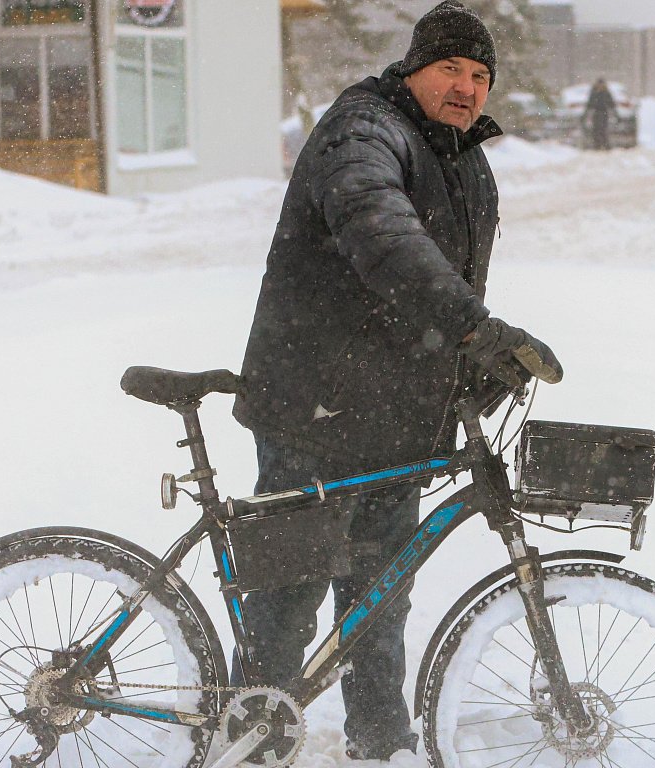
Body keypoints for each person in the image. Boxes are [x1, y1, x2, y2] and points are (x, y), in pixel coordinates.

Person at [232, 0, 562, 760]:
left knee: (380, 601)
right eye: (450, 67)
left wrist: (467, 369)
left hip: (395, 419)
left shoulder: (465, 161)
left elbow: (431, 286)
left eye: (481, 74)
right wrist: (474, 329)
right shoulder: (364, 131)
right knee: (288, 599)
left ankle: (381, 745)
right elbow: (380, 231)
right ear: (413, 69)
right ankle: (253, 737)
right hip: (312, 409)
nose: (466, 86)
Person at [582, 78, 618, 150]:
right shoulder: (594, 92)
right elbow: (589, 105)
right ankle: (597, 145)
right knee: (596, 130)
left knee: (603, 130)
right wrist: (584, 115)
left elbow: (612, 104)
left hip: (604, 113)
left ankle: (605, 145)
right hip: (596, 113)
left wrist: (616, 114)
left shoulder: (606, 93)